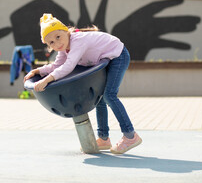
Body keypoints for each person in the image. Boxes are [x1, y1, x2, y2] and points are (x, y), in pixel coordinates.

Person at [24, 13, 142, 154]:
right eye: (51, 43)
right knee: (100, 99)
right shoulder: (64, 48)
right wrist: (38, 71)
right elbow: (57, 66)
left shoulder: (77, 41)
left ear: (66, 31)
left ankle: (130, 135)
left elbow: (68, 66)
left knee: (109, 96)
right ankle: (104, 138)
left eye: (58, 37)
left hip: (118, 55)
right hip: (105, 58)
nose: (57, 43)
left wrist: (47, 79)